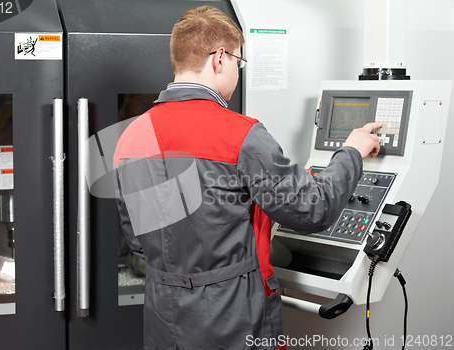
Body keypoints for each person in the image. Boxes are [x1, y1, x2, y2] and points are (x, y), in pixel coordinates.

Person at [113, 6, 381, 350]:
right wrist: (352, 153)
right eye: (239, 63)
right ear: (219, 59)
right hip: (232, 318)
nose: (237, 73)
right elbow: (313, 210)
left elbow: (136, 240)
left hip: (163, 318)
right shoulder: (240, 134)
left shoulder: (131, 136)